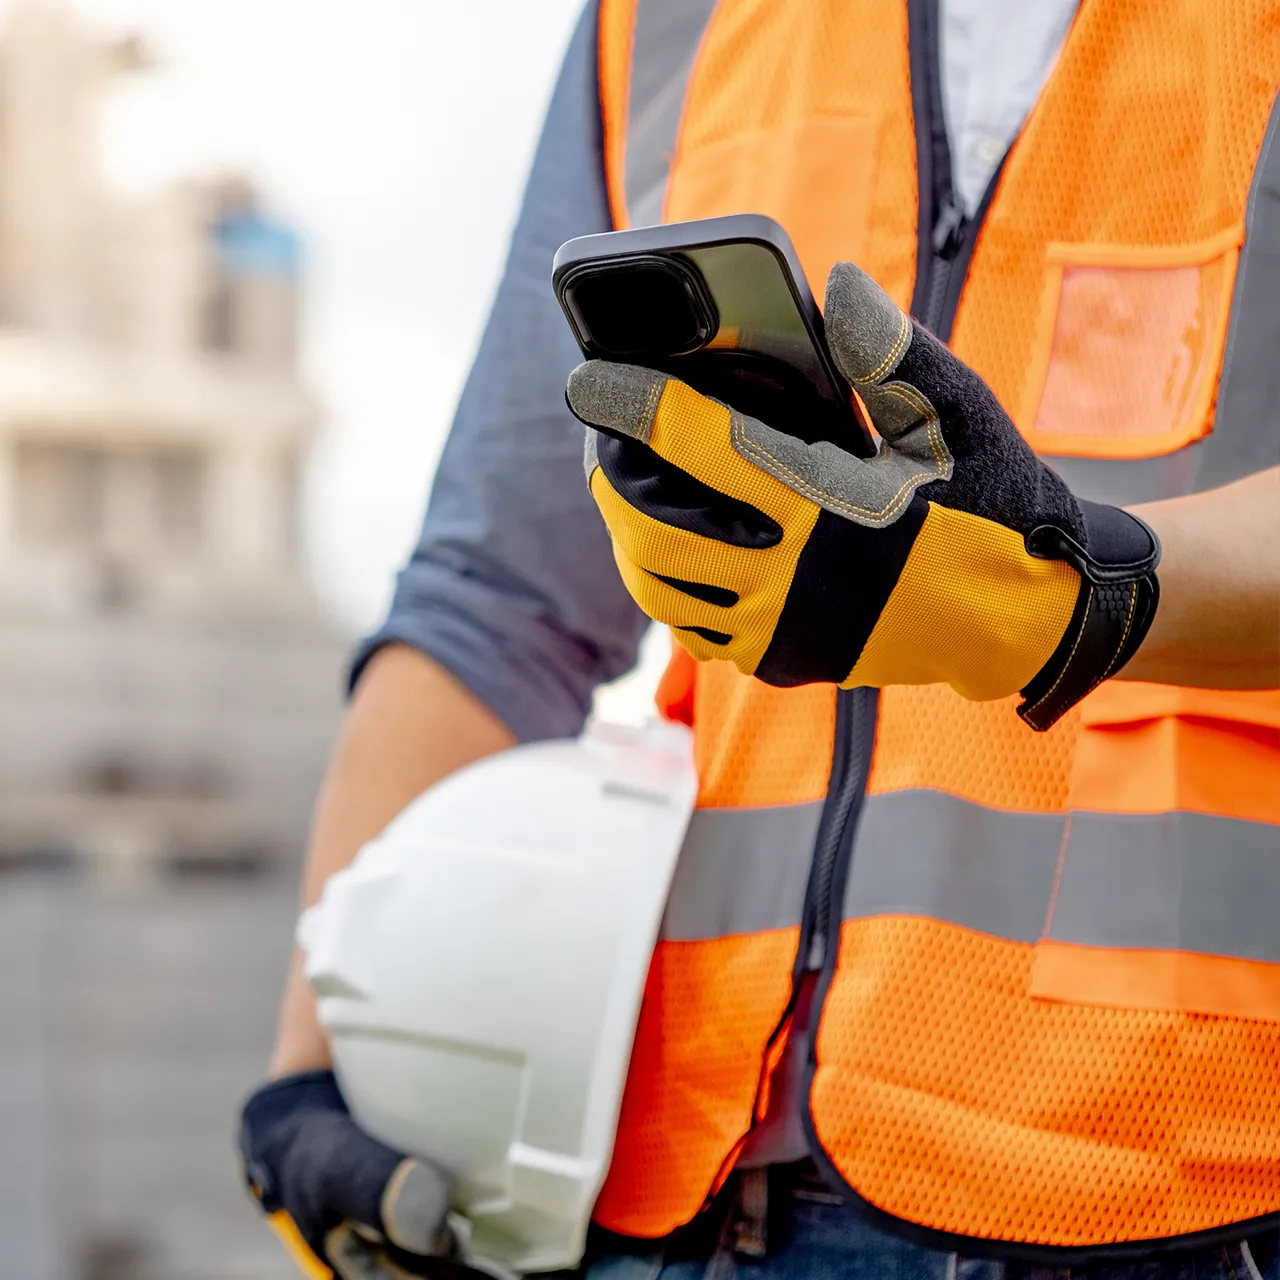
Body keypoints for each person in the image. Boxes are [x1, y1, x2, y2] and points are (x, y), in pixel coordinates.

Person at [237, 1, 1280, 1277]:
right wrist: (318, 1062)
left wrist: (1078, 588)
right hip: (676, 1182)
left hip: (1185, 1183)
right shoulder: (660, 20)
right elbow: (498, 597)